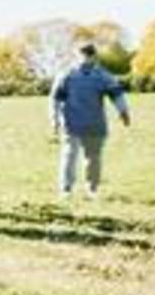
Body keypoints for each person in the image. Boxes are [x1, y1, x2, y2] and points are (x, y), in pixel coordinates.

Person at [50, 44, 131, 198]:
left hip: (94, 124)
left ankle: (91, 189)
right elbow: (55, 99)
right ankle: (66, 189)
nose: (85, 58)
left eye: (88, 55)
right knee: (70, 156)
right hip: (71, 123)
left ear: (94, 56)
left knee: (92, 157)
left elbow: (116, 94)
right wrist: (54, 120)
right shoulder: (67, 75)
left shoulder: (102, 75)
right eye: (83, 55)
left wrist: (124, 112)